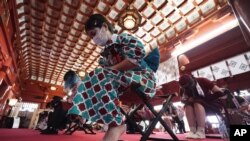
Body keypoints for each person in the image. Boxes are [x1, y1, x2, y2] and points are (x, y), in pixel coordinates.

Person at [63, 14, 157, 141]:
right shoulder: (104, 56)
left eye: (94, 33)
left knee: (100, 74)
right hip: (125, 84)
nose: (94, 39)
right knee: (95, 76)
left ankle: (116, 124)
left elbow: (133, 61)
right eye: (91, 36)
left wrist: (110, 69)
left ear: (104, 26)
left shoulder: (124, 38)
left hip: (143, 79)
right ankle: (111, 123)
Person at [178, 74, 225, 139]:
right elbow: (182, 100)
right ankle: (192, 130)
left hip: (211, 104)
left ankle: (201, 131)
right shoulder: (182, 88)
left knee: (197, 102)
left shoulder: (202, 80)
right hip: (195, 107)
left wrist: (201, 98)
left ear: (192, 80)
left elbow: (219, 92)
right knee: (188, 105)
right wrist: (187, 99)